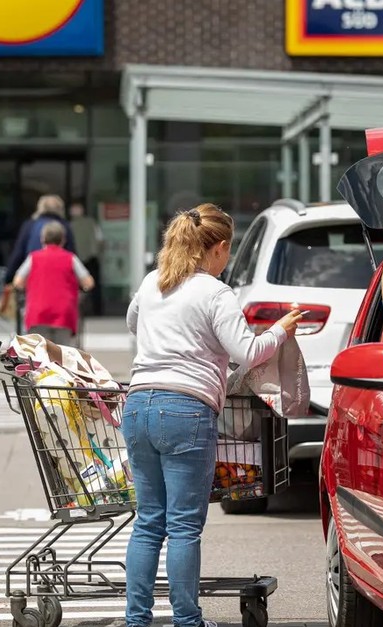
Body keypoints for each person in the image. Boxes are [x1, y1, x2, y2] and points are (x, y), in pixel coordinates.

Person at [123, 203, 302, 627]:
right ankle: (187, 621)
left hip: (137, 405)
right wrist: (280, 330)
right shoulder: (215, 292)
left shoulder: (152, 282)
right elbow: (249, 351)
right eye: (229, 251)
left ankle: (137, 620)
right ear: (219, 248)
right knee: (184, 526)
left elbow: (134, 323)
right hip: (185, 408)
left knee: (149, 522)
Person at [11, 221, 94, 346]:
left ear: (42, 239)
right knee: (63, 354)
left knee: (39, 354)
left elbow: (17, 282)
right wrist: (82, 289)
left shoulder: (33, 258)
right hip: (64, 313)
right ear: (63, 239)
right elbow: (88, 282)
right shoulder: (70, 258)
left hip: (38, 313)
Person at [3, 194, 75, 286]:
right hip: (58, 279)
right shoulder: (65, 226)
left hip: (34, 278)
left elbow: (18, 253)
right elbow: (71, 254)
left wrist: (8, 277)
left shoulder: (30, 225)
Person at [68, 201, 104, 315]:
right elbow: (100, 240)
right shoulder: (92, 223)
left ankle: (77, 311)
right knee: (95, 287)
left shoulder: (69, 226)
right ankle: (97, 310)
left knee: (75, 287)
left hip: (75, 259)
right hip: (91, 258)